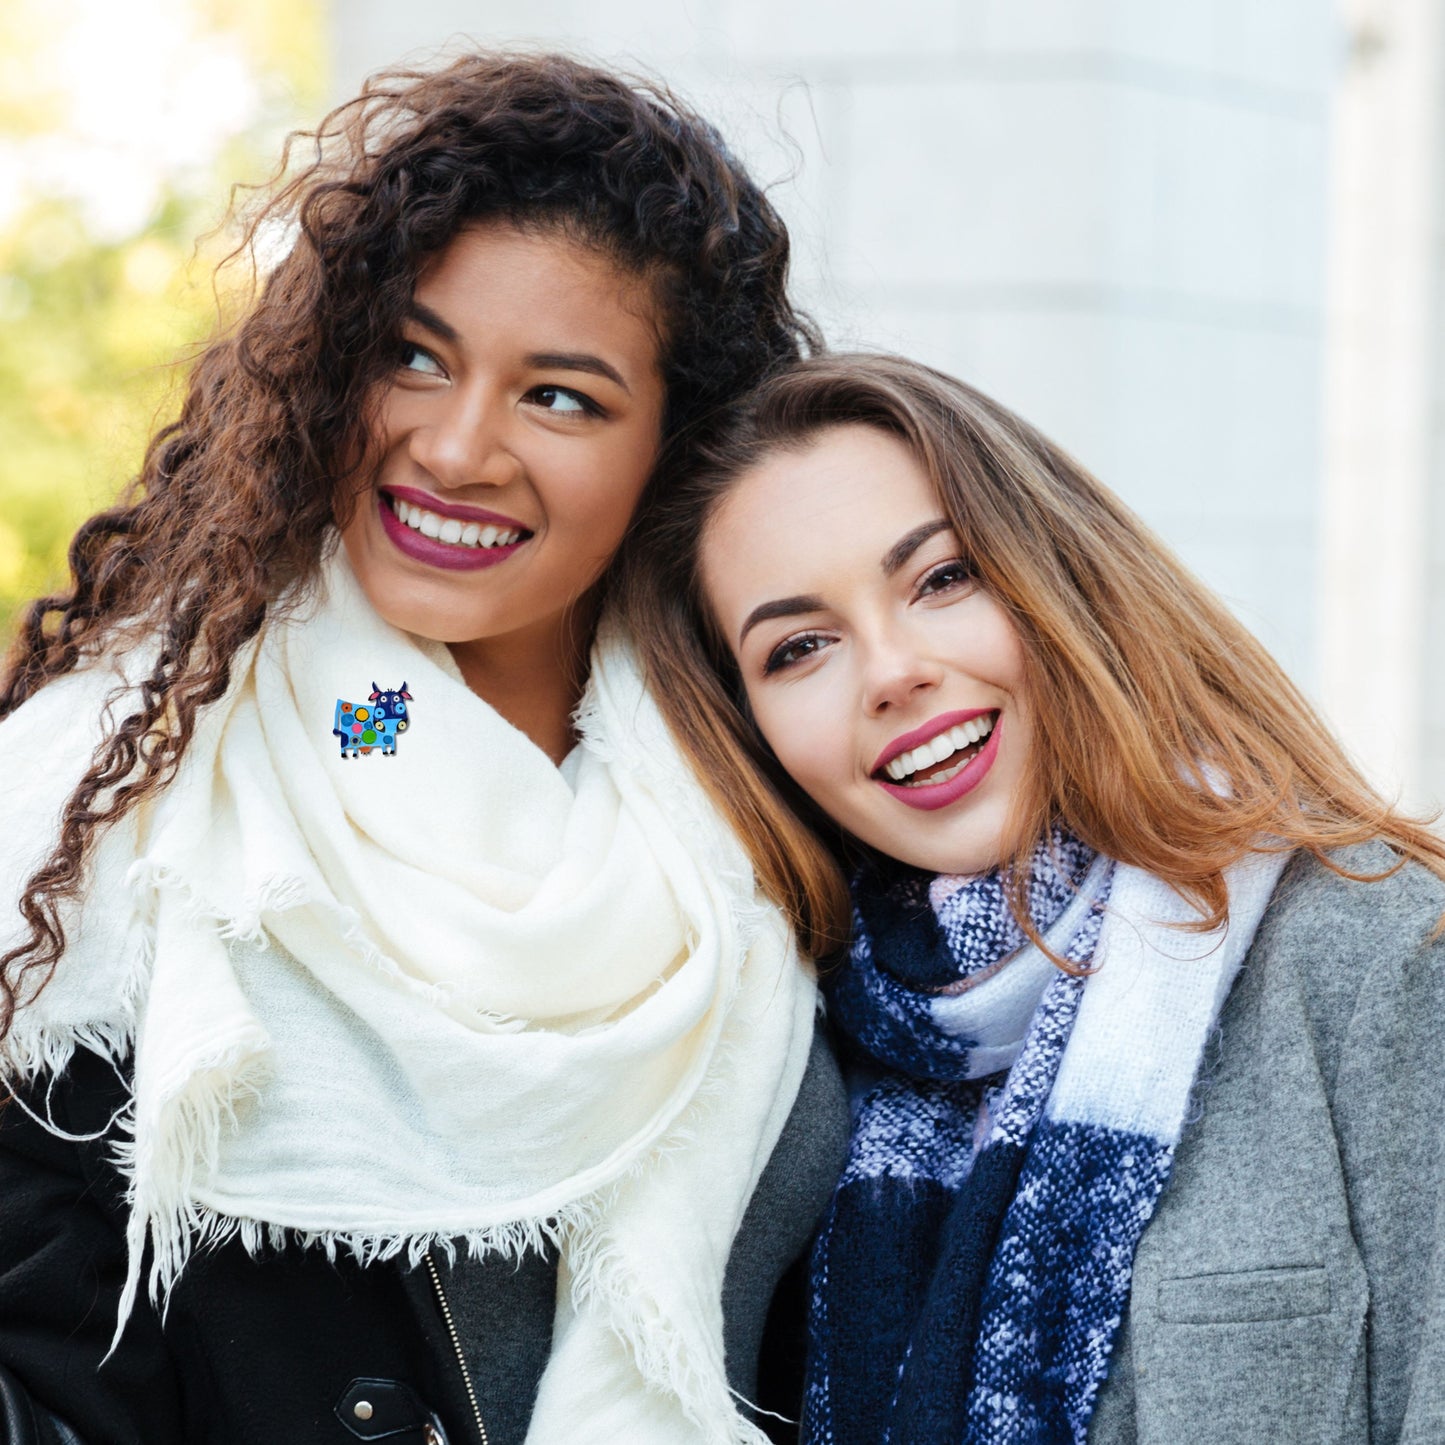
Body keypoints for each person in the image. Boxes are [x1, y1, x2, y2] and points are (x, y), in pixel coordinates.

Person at [0, 54, 850, 1445]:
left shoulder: (760, 780)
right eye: (413, 353)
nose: (454, 447)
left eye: (559, 397)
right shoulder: (121, 785)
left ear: (670, 451)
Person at [620, 351, 1445, 1444]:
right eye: (799, 646)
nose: (889, 670)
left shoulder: (1375, 955)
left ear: (1056, 572)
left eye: (940, 578)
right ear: (749, 731)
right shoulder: (765, 1064)